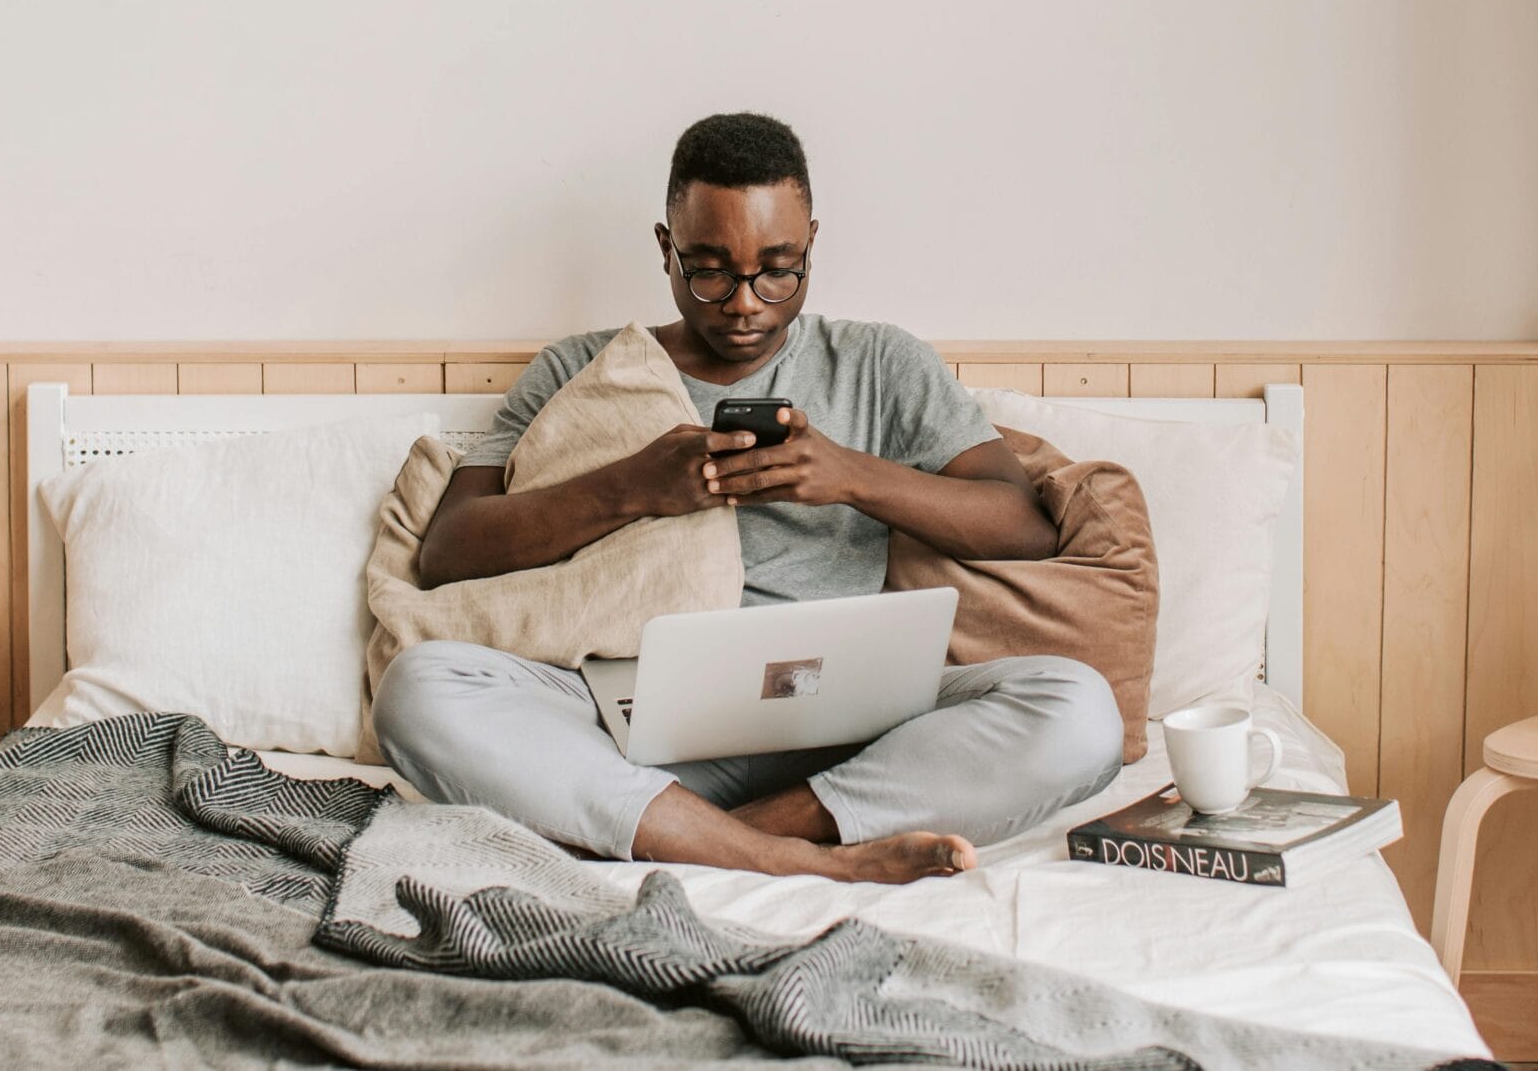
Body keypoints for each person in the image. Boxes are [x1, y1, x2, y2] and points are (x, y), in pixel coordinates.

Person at [371, 113, 1124, 885]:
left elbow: (1023, 523)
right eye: (709, 269)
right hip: (623, 727)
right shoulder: (582, 366)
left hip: (845, 733)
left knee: (1080, 709)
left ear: (811, 245)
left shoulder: (878, 363)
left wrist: (848, 474)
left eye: (778, 269)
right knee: (417, 691)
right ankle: (775, 855)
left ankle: (722, 835)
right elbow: (448, 551)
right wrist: (633, 486)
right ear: (665, 247)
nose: (745, 303)